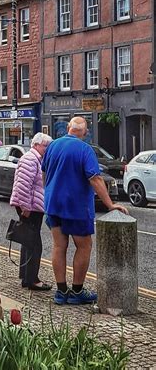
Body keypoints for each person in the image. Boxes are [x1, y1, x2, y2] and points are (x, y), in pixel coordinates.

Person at [42, 116, 128, 306]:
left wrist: (48, 193)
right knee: (84, 246)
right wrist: (110, 204)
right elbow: (95, 179)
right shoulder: (84, 149)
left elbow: (44, 173)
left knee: (58, 246)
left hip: (53, 204)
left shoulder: (53, 146)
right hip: (76, 206)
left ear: (68, 128)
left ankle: (61, 291)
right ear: (85, 132)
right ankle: (77, 291)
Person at [10, 132, 53, 291]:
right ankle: (33, 280)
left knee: (28, 241)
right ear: (36, 144)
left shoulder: (36, 159)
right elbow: (23, 185)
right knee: (35, 244)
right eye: (45, 146)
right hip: (30, 207)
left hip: (33, 206)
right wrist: (25, 207)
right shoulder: (30, 159)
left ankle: (26, 277)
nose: (46, 149)